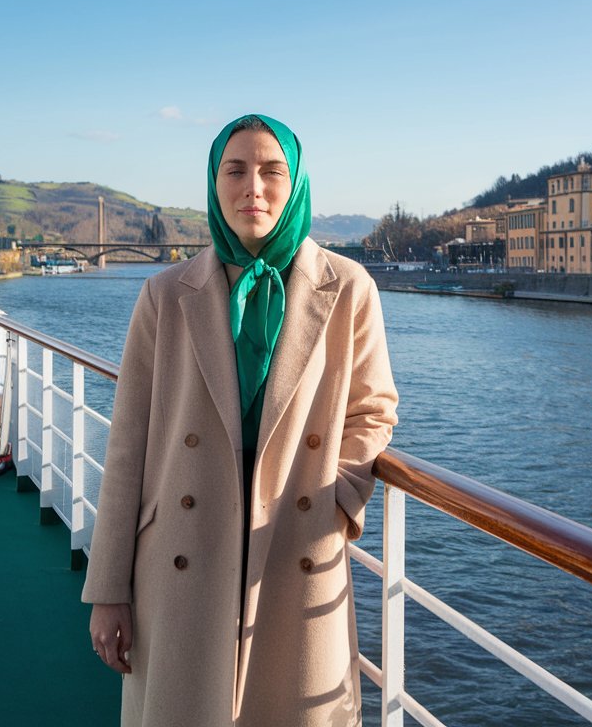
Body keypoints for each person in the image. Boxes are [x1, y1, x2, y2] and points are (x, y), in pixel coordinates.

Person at [83, 114, 398, 727]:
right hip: (179, 558)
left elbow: (374, 408)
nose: (253, 186)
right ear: (214, 182)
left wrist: (336, 496)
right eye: (236, 169)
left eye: (272, 170)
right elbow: (128, 447)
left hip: (294, 545)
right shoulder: (166, 295)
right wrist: (107, 591)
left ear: (296, 182)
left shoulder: (348, 288)